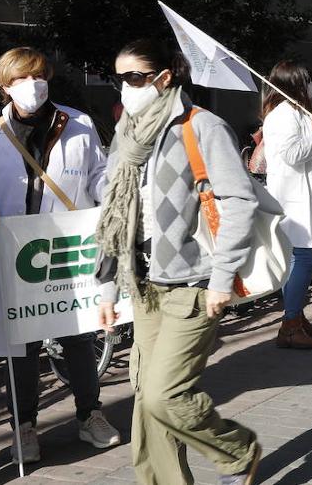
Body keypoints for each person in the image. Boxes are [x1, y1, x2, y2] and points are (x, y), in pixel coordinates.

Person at [94, 38, 260, 485]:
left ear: (164, 78)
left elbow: (240, 201)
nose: (125, 87)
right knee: (145, 396)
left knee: (164, 396)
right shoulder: (128, 135)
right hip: (144, 284)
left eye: (134, 78)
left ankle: (236, 452)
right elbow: (115, 215)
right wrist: (108, 288)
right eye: (119, 78)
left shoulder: (201, 126)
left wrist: (224, 278)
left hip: (194, 282)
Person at [0, 47, 121, 462]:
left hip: (68, 246)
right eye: (20, 79)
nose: (32, 85)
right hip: (18, 255)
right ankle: (24, 427)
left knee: (78, 335)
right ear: (4, 86)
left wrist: (112, 201)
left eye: (39, 75)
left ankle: (90, 416)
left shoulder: (78, 122)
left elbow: (99, 175)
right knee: (23, 345)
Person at [261, 60, 312, 349]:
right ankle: (289, 324)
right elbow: (291, 154)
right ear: (294, 84)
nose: (311, 85)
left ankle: (296, 317)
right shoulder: (282, 115)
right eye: (306, 80)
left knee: (303, 259)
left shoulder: (297, 111)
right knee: (303, 259)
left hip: (304, 196)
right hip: (294, 200)